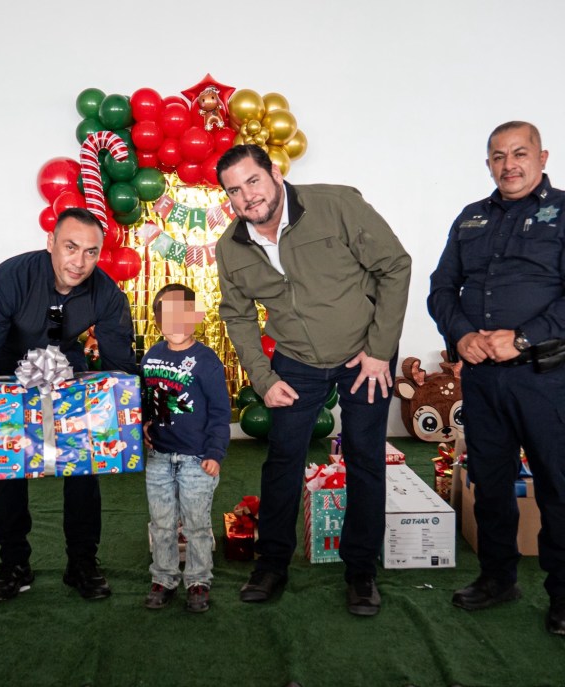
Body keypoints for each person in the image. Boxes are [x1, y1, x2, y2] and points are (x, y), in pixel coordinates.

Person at [427, 121, 565, 636]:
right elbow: (441, 288)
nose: (509, 164)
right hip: (484, 379)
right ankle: (498, 577)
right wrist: (462, 335)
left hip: (544, 377)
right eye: (498, 156)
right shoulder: (471, 219)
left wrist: (524, 337)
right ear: (488, 163)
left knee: (555, 485)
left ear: (541, 156)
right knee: (489, 484)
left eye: (519, 153)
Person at [215, 145, 412, 616]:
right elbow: (237, 316)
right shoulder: (231, 247)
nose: (247, 197)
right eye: (234, 190)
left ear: (275, 173)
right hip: (296, 359)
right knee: (282, 459)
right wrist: (263, 379)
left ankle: (361, 570)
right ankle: (272, 563)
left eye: (253, 181)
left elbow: (394, 267)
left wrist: (380, 352)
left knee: (365, 457)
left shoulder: (337, 204)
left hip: (365, 354)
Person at [0, 207, 137, 602]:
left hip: (67, 370)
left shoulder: (105, 291)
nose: (80, 261)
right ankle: (14, 563)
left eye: (91, 252)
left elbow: (120, 364)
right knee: (7, 468)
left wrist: (130, 421)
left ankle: (83, 562)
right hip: (3, 370)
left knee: (86, 461)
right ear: (51, 242)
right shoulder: (11, 278)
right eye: (71, 247)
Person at [141, 284, 231, 613]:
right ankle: (164, 577)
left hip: (197, 460)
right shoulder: (151, 356)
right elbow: (148, 403)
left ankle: (197, 580)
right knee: (162, 522)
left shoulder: (206, 361)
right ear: (156, 319)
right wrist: (145, 427)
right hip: (160, 459)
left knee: (196, 523)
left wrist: (214, 453)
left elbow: (221, 413)